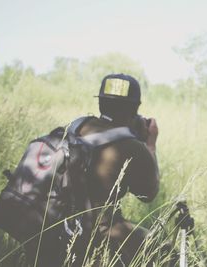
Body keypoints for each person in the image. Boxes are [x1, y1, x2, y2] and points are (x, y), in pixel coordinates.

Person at [76, 73, 160, 266]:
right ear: (135, 109)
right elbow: (148, 195)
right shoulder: (131, 145)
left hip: (54, 221)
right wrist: (151, 145)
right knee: (161, 249)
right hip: (95, 229)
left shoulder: (77, 126)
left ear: (101, 103)